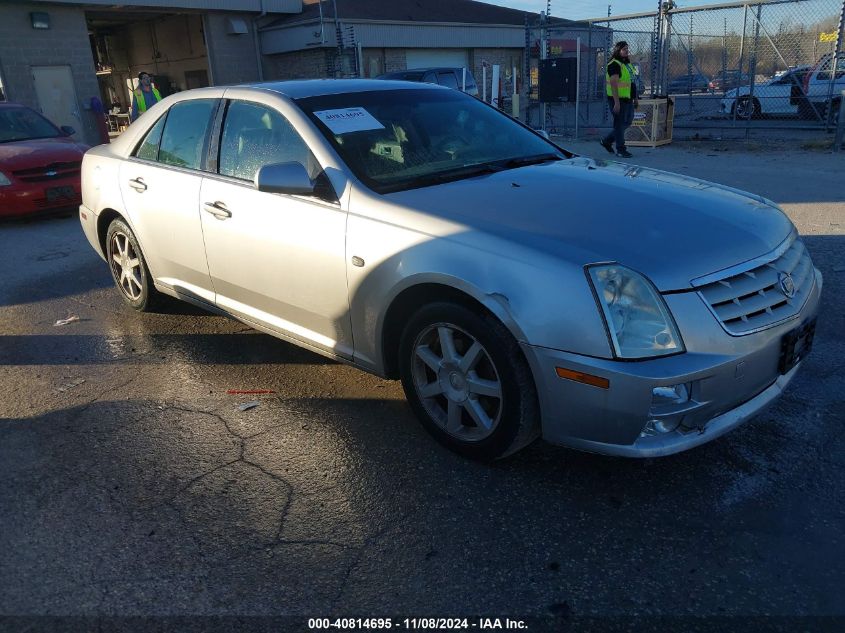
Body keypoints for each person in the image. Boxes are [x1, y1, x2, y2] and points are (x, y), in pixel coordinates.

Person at [600, 41, 639, 158]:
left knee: (627, 122)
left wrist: (635, 98)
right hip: (617, 99)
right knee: (619, 124)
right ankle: (621, 149)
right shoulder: (614, 64)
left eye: (627, 48)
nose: (626, 51)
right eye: (624, 49)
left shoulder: (627, 64)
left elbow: (632, 83)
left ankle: (607, 141)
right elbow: (613, 84)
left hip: (628, 99)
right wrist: (616, 103)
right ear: (618, 50)